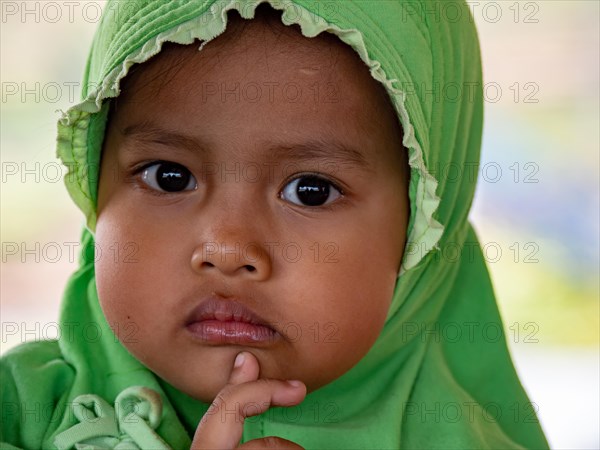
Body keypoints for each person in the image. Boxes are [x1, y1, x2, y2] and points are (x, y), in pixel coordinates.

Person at [0, 1, 549, 448]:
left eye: (310, 191)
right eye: (169, 176)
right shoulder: (20, 409)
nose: (228, 248)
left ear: (424, 231)